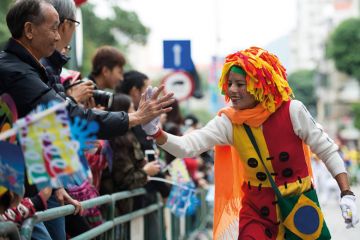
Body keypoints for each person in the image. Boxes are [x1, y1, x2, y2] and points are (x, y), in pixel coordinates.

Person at [142, 47, 359, 239]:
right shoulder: (227, 121)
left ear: (260, 85)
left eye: (240, 84)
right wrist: (156, 132)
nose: (232, 90)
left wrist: (347, 193)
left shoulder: (292, 110)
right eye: (229, 84)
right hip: (257, 210)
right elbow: (187, 146)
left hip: (299, 204)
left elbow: (327, 150)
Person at [0, 0, 173, 238]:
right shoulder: (16, 72)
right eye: (53, 28)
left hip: (30, 190)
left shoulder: (32, 70)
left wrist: (56, 184)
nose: (57, 36)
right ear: (29, 30)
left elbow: (38, 133)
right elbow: (65, 117)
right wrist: (134, 118)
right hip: (14, 193)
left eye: (60, 27)